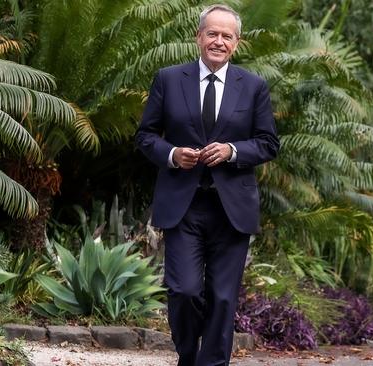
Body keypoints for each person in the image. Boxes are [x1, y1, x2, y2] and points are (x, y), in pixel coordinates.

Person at [135, 4, 279, 366]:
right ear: (198, 37)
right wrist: (172, 155)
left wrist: (232, 150)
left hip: (231, 208)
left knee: (223, 298)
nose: (218, 41)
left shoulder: (254, 87)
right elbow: (146, 136)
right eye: (212, 33)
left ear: (237, 42)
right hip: (183, 204)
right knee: (183, 290)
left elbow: (267, 143)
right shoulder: (168, 79)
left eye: (226, 36)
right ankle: (188, 358)